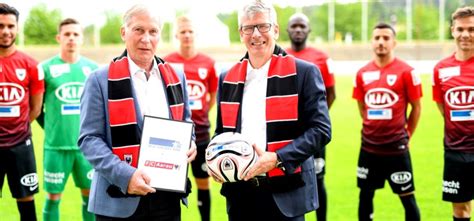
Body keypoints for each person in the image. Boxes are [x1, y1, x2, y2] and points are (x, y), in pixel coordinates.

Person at [212, 0, 331, 220]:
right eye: (248, 28)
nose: (256, 34)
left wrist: (278, 158)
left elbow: (321, 130)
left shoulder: (304, 72)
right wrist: (216, 159)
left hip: (286, 191)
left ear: (275, 29)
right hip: (240, 194)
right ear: (241, 33)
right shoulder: (226, 77)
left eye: (263, 26)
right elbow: (222, 132)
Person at [78, 4, 197, 220]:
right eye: (139, 30)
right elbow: (89, 139)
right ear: (124, 32)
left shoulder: (176, 76)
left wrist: (190, 142)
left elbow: (186, 122)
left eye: (153, 31)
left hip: (167, 199)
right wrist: (126, 176)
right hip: (118, 197)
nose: (146, 38)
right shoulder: (99, 79)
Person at [352, 23, 422, 221]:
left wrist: (407, 134)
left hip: (396, 148)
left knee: (407, 198)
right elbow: (362, 105)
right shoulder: (362, 73)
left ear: (394, 42)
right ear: (372, 42)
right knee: (365, 195)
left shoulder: (407, 71)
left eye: (385, 38)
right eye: (377, 38)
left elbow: (417, 107)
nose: (381, 42)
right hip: (369, 147)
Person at [36, 18, 98, 221]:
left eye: (76, 34)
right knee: (53, 197)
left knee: (90, 197)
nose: (71, 38)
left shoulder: (93, 69)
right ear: (59, 38)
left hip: (87, 147)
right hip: (56, 147)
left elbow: (98, 109)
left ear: (81, 39)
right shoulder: (45, 69)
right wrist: (52, 128)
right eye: (67, 34)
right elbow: (37, 108)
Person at [164, 15, 218, 221]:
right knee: (170, 183)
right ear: (177, 35)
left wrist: (200, 113)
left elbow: (212, 96)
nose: (187, 35)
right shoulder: (168, 62)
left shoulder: (209, 63)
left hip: (202, 134)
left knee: (203, 182)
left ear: (195, 34)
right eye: (183, 31)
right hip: (175, 134)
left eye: (190, 31)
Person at [286, 12, 335, 221]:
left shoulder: (322, 58)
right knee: (290, 180)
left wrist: (315, 120)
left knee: (318, 179)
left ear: (309, 30)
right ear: (287, 30)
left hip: (312, 134)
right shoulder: (279, 56)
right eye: (294, 26)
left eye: (302, 26)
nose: (298, 30)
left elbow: (331, 93)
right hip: (287, 133)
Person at [0, 3, 44, 221]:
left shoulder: (31, 65)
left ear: (17, 28)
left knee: (26, 201)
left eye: (10, 26)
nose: (5, 31)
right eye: (0, 26)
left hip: (20, 145)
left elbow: (35, 109)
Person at [432, 6, 474, 221]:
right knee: (459, 209)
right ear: (452, 31)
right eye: (460, 29)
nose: (465, 34)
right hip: (455, 150)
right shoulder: (441, 68)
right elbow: (443, 108)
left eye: (471, 29)